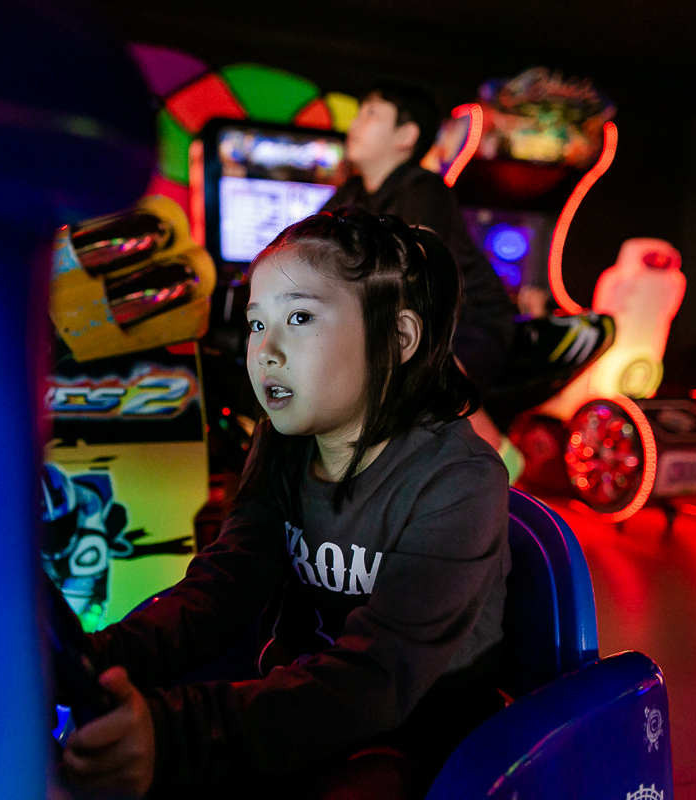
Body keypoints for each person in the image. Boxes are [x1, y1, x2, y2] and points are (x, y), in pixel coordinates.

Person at [58, 209, 510, 800]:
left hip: (415, 731)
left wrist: (172, 736)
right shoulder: (284, 442)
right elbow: (223, 587)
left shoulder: (460, 482)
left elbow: (377, 679)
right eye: (254, 324)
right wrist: (100, 658)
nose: (264, 351)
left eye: (298, 317)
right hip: (299, 699)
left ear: (397, 339)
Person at [323, 84, 522, 477]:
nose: (355, 124)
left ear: (406, 136)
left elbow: (410, 266)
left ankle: (500, 458)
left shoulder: (424, 188)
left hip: (471, 323)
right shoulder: (352, 193)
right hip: (409, 316)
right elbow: (308, 246)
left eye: (371, 114)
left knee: (411, 348)